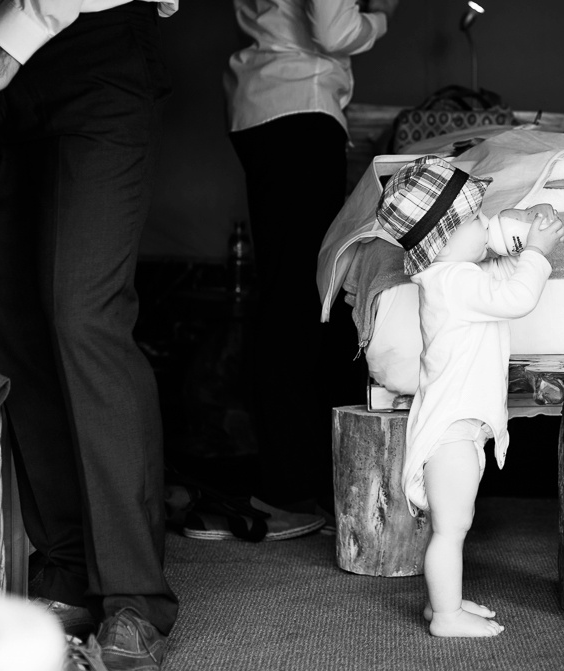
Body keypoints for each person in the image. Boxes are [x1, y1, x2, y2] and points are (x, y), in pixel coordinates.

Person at [0, 0, 179, 668]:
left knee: (83, 312)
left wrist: (15, 39)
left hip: (94, 43)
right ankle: (65, 568)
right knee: (10, 316)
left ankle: (133, 598)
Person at [375, 156, 563, 638]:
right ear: (443, 238)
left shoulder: (449, 275)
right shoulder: (455, 281)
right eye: (475, 219)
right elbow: (517, 298)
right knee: (451, 529)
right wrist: (538, 253)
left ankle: (445, 603)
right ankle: (446, 616)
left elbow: (496, 267)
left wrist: (522, 234)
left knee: (454, 526)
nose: (486, 224)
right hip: (451, 433)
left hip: (458, 427)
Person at [224, 0, 394, 516]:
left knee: (287, 293)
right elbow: (334, 28)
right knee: (305, 298)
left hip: (262, 101)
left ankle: (290, 475)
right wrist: (383, 14)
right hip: (300, 104)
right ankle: (294, 483)